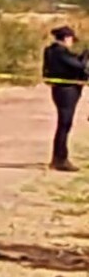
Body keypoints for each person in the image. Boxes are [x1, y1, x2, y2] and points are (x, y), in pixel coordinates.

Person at [42, 25, 89, 172]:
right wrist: (86, 55)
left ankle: (59, 157)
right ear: (66, 38)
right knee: (64, 124)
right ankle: (60, 159)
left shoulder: (52, 51)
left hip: (63, 89)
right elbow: (78, 66)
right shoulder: (59, 52)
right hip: (66, 91)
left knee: (64, 124)